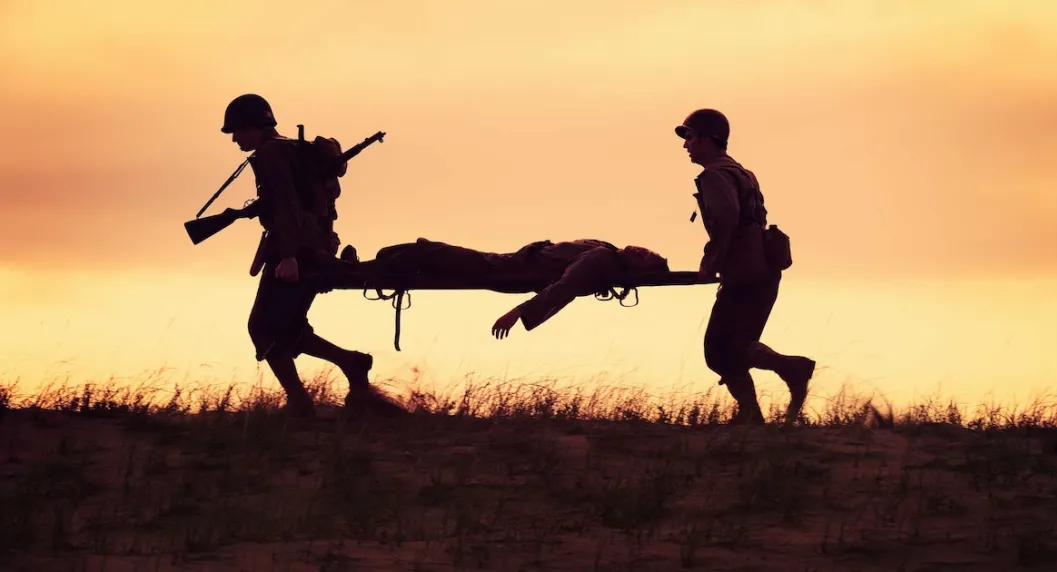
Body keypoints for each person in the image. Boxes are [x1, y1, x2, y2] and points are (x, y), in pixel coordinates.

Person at [219, 93, 401, 419]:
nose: (234, 138)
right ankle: (350, 364)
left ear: (256, 127)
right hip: (313, 247)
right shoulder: (287, 149)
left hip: (294, 251)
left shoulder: (271, 152)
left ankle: (302, 404)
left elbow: (288, 204)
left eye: (238, 131)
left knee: (262, 328)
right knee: (287, 327)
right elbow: (290, 200)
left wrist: (288, 257)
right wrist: (250, 212)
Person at [675, 108, 816, 425]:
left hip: (746, 273)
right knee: (733, 345)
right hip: (762, 270)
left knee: (718, 349)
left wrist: (710, 263)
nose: (686, 145)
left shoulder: (715, 175)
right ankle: (750, 415)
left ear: (708, 140)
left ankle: (790, 370)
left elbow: (726, 220)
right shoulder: (742, 172)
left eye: (690, 137)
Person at [337, 237, 670, 338]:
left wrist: (518, 312)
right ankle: (359, 269)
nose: (642, 248)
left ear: (636, 272)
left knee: (426, 251)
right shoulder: (607, 254)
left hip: (501, 268)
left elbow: (564, 288)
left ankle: (349, 272)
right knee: (421, 256)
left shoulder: (602, 260)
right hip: (503, 262)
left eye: (646, 257)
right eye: (647, 248)